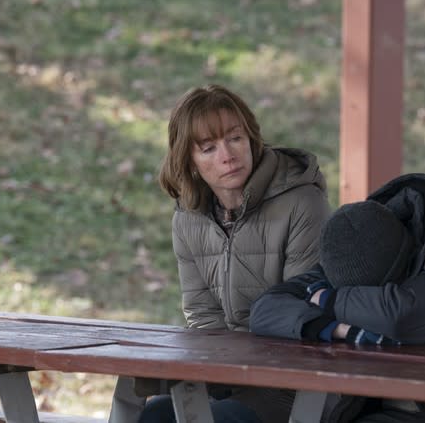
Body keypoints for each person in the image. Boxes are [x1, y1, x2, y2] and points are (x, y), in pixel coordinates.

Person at [110, 84, 330, 423]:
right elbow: (201, 315)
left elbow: (297, 318)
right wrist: (217, 380)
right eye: (209, 148)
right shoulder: (188, 218)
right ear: (190, 161)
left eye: (235, 139)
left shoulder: (302, 203)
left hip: (292, 386)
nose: (227, 155)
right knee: (152, 416)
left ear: (252, 140)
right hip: (222, 377)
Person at [250, 173, 425, 423]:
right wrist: (333, 327)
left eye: (368, 295)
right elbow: (265, 310)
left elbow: (403, 316)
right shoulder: (353, 250)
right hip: (404, 406)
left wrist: (330, 302)